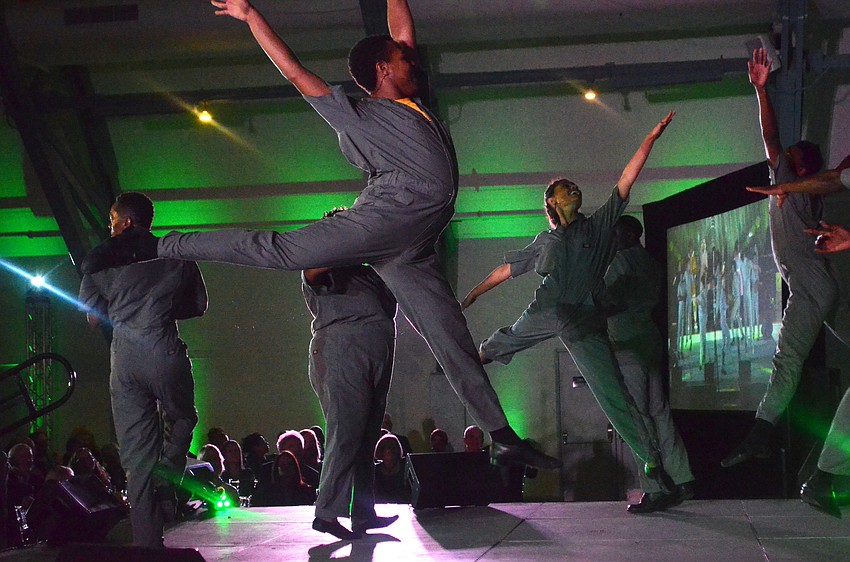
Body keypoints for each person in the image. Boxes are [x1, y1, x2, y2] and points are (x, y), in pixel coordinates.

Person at [80, 0, 559, 473]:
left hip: (412, 247)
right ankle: (156, 245)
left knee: (449, 336)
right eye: (401, 57)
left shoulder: (417, 100)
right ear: (381, 69)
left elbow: (402, 29)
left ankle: (501, 436)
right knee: (282, 250)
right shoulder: (361, 114)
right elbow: (295, 73)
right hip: (384, 220)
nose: (412, 58)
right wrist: (252, 17)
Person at [461, 113, 676, 503]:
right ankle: (477, 356)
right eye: (566, 187)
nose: (574, 188)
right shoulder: (546, 241)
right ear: (552, 202)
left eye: (574, 186)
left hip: (585, 323)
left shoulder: (598, 225)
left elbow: (626, 181)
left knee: (618, 400)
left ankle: (655, 474)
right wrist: (475, 292)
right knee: (507, 338)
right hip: (550, 311)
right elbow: (507, 269)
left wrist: (649, 139)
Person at [720, 48, 850, 467]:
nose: (778, 160)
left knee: (787, 359)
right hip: (816, 284)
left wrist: (763, 92)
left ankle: (762, 431)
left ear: (799, 166)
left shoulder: (793, 182)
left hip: (811, 284)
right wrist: (761, 89)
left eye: (788, 158)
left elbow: (771, 138)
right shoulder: (798, 187)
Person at [78, 191, 207, 548]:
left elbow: (91, 318)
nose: (110, 225)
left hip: (124, 354)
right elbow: (199, 305)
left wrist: (121, 310)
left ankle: (147, 543)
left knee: (136, 455)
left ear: (126, 221)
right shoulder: (174, 253)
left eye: (112, 218)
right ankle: (169, 467)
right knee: (183, 417)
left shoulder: (97, 262)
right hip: (162, 344)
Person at [747, 158, 850, 517]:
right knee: (788, 357)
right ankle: (823, 476)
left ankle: (825, 476)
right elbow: (836, 178)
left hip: (824, 295)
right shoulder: (811, 192)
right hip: (826, 296)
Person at [302, 233, 399, 539]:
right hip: (342, 351)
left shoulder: (368, 273)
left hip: (375, 353)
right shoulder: (325, 267)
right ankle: (327, 513)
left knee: (366, 436)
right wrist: (338, 243)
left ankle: (363, 514)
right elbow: (310, 272)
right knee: (345, 432)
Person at [602, 216, 695, 513]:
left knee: (635, 417)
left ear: (629, 234)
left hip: (626, 344)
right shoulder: (651, 263)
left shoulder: (621, 263)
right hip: (649, 340)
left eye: (616, 233)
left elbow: (612, 302)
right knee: (660, 413)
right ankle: (682, 477)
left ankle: (654, 488)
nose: (612, 239)